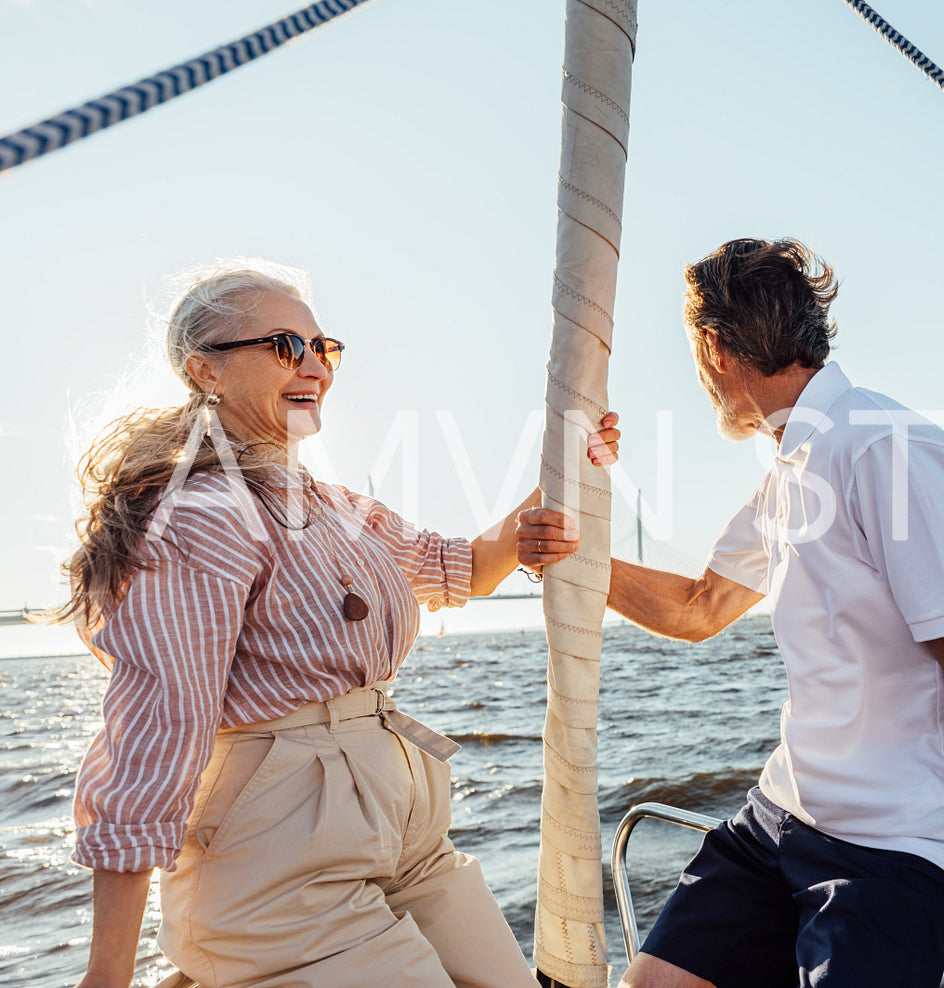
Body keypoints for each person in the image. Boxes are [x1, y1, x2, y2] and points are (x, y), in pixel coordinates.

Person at [521, 238, 944, 988]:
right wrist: (574, 554)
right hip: (782, 815)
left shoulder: (886, 447)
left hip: (897, 844)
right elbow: (699, 608)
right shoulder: (790, 461)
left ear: (713, 348)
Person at [58, 262, 618, 988]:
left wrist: (570, 468)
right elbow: (157, 731)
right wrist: (106, 975)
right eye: (287, 346)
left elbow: (462, 568)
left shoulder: (330, 504)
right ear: (207, 371)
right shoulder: (197, 517)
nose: (315, 366)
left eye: (326, 349)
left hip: (402, 837)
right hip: (282, 860)